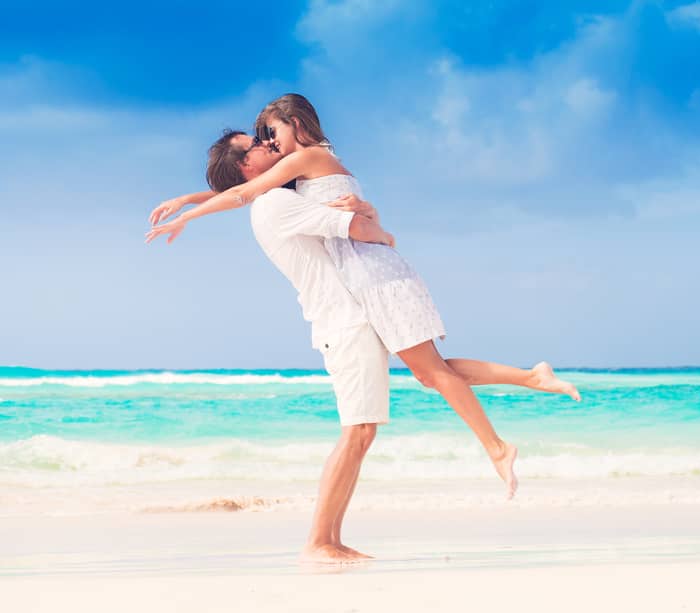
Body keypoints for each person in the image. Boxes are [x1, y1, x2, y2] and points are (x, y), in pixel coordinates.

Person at [146, 95, 580, 561]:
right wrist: (373, 224)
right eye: (256, 142)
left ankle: (526, 388)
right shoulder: (275, 202)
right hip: (345, 317)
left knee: (421, 378)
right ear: (247, 165)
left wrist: (190, 202)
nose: (266, 142)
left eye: (268, 134)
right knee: (364, 426)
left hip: (359, 305)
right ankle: (322, 542)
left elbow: (245, 190)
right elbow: (278, 203)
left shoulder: (284, 188)